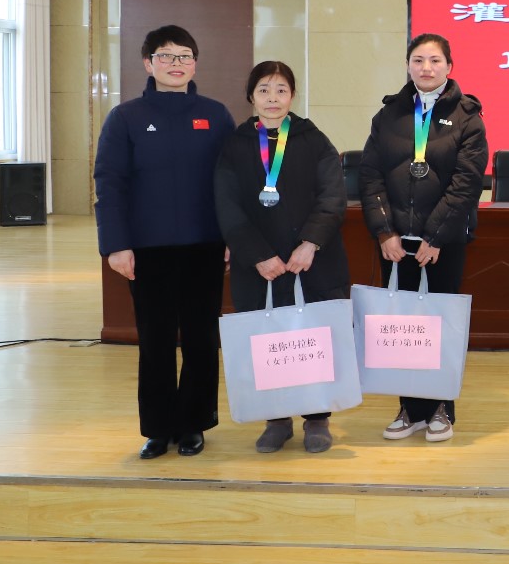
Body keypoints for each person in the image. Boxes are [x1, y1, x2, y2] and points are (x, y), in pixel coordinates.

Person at [94, 25, 234, 459]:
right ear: (148, 63)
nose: (176, 64)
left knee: (200, 339)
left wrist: (233, 235)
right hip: (147, 249)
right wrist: (116, 245)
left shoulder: (215, 114)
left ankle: (193, 423)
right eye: (166, 56)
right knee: (154, 342)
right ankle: (158, 428)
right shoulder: (126, 117)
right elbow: (109, 182)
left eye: (185, 56)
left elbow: (232, 182)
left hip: (204, 246)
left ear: (195, 64)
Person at [214, 61, 351, 453]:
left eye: (281, 90)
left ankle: (317, 417)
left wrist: (310, 243)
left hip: (311, 260)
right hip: (259, 265)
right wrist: (257, 254)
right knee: (268, 341)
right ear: (250, 96)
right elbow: (225, 204)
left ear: (292, 96)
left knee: (313, 339)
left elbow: (333, 196)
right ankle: (276, 419)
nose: (272, 98)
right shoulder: (235, 144)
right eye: (264, 90)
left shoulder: (313, 139)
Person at [359, 33, 487, 443]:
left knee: (440, 326)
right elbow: (370, 176)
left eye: (434, 60)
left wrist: (435, 236)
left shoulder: (467, 116)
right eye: (418, 60)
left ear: (449, 66)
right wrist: (385, 232)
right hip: (396, 243)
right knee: (403, 327)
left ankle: (442, 408)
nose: (426, 68)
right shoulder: (389, 114)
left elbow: (467, 183)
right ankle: (410, 409)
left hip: (443, 243)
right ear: (408, 65)